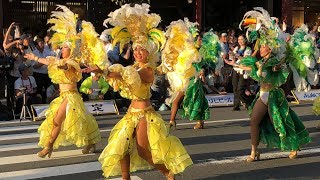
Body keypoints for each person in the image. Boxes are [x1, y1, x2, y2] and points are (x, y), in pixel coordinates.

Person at [84, 4, 192, 179]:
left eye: (142, 49)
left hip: (144, 114)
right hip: (131, 113)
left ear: (149, 52)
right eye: (135, 49)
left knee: (143, 151)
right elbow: (121, 74)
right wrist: (101, 70)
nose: (138, 52)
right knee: (121, 146)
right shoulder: (133, 67)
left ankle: (168, 173)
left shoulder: (148, 70)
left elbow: (128, 75)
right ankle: (125, 177)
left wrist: (104, 71)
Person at [23, 5, 101, 158]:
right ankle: (90, 142)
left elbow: (61, 65)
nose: (62, 49)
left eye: (65, 47)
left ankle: (49, 146)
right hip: (63, 96)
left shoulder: (71, 63)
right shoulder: (61, 59)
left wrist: (42, 59)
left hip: (71, 96)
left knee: (58, 120)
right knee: (79, 120)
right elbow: (51, 61)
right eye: (63, 47)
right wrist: (35, 58)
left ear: (71, 50)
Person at [237, 7, 311, 162]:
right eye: (261, 45)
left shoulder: (274, 61)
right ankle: (254, 151)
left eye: (263, 46)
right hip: (262, 95)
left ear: (269, 49)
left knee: (281, 122)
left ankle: (294, 145)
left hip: (274, 95)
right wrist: (235, 63)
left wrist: (282, 60)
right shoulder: (261, 58)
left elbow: (278, 67)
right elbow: (252, 62)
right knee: (254, 122)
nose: (260, 47)